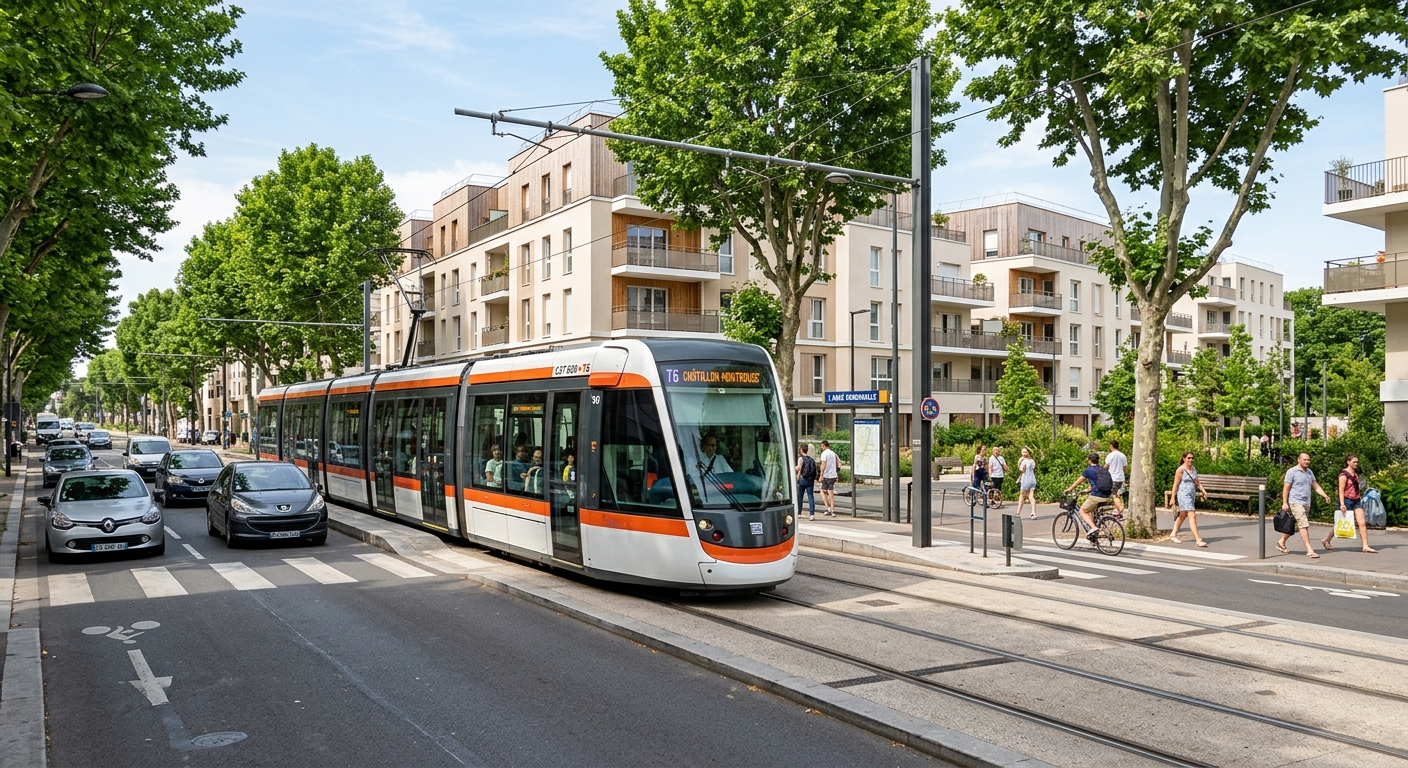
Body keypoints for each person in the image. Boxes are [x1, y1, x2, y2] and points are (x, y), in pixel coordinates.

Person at [1280, 452, 1333, 558]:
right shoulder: (1292, 472)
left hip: (1306, 503)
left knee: (1294, 525)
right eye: (1305, 460)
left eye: (1308, 460)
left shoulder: (1309, 472)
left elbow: (1315, 486)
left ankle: (1281, 542)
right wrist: (1285, 503)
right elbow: (1286, 488)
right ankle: (1310, 550)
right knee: (1304, 525)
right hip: (1295, 502)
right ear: (1298, 460)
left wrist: (1325, 495)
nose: (1307, 461)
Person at [1325, 454, 1377, 554]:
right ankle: (1327, 540)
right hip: (1346, 500)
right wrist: (1342, 504)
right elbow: (1340, 490)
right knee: (1340, 523)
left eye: (1357, 462)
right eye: (1354, 462)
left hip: (1356, 500)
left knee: (1362, 522)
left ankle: (1365, 546)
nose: (1356, 464)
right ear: (1348, 462)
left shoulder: (1355, 475)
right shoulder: (1343, 475)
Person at [1062, 452, 1114, 543]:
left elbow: (1078, 482)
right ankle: (1094, 536)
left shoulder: (1089, 470)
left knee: (1082, 511)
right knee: (1090, 512)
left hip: (1096, 496)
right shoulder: (1103, 469)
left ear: (1089, 461)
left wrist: (1068, 490)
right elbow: (1100, 483)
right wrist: (1089, 489)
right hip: (1106, 496)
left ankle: (1093, 528)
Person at [1169, 452, 1208, 546]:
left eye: (1192, 458)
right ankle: (1198, 539)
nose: (1191, 460)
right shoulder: (1180, 470)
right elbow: (1175, 484)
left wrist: (1203, 490)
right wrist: (1172, 498)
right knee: (1192, 514)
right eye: (1189, 458)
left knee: (1183, 515)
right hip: (1183, 495)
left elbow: (1197, 481)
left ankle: (1173, 534)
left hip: (1191, 495)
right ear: (1184, 458)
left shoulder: (1193, 468)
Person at [795, 443, 818, 520]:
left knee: (800, 496)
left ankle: (799, 513)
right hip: (810, 480)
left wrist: (796, 473)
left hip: (802, 479)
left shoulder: (800, 458)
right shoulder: (811, 459)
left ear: (801, 450)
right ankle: (812, 514)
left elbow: (799, 469)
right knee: (810, 496)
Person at [1104, 439, 1127, 514]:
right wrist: (1123, 478)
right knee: (1118, 494)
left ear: (1111, 446)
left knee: (1114, 496)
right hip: (1121, 478)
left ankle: (1120, 509)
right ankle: (1118, 512)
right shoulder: (1123, 455)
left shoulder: (1110, 455)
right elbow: (1124, 468)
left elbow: (1106, 466)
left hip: (1113, 478)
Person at [817, 440, 840, 517]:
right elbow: (838, 463)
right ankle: (832, 510)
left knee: (822, 491)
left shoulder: (824, 454)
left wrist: (821, 475)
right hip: (833, 475)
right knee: (831, 493)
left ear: (824, 446)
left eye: (822, 446)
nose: (821, 447)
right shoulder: (833, 453)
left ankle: (828, 508)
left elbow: (823, 465)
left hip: (826, 475)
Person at [1015, 447, 1038, 520]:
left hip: (1026, 479)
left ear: (1028, 452)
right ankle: (1033, 513)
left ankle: (1018, 512)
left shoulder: (1024, 461)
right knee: (1031, 496)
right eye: (1023, 452)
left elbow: (1022, 470)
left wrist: (1019, 463)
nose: (1024, 454)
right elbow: (1033, 469)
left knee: (1022, 496)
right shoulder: (1032, 461)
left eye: (1025, 452)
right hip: (1032, 479)